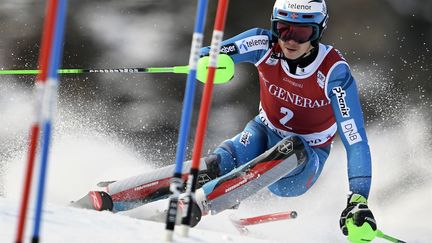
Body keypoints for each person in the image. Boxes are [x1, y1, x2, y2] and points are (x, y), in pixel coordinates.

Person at [74, 0, 377, 241]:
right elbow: (215, 52)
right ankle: (115, 195)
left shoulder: (334, 73)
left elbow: (355, 138)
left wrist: (358, 199)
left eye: (302, 33)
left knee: (292, 145)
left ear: (317, 32)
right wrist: (212, 61)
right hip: (263, 131)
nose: (290, 40)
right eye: (284, 29)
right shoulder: (263, 43)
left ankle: (199, 203)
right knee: (219, 163)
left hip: (302, 162)